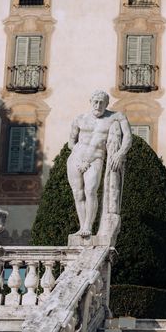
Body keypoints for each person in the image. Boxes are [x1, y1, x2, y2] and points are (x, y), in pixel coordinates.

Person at [67, 90, 132, 237]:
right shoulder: (80, 119)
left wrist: (120, 154)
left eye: (102, 102)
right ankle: (82, 226)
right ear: (90, 102)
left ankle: (88, 226)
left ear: (107, 104)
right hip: (76, 160)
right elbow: (71, 141)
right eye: (95, 101)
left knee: (90, 191)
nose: (98, 105)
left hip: (96, 158)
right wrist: (79, 156)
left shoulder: (116, 117)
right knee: (78, 194)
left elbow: (128, 136)